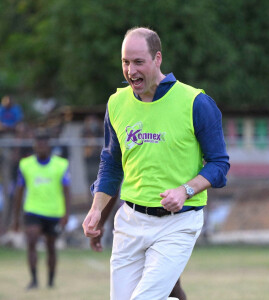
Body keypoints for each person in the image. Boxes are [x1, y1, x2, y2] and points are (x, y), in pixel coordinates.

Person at [82, 27, 230, 300]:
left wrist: (185, 190)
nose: (130, 70)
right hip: (129, 222)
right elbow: (112, 163)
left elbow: (219, 165)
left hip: (179, 223)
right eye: (125, 62)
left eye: (139, 62)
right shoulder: (116, 103)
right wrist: (96, 210)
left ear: (157, 59)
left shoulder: (196, 102)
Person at [90, 194, 187, 300]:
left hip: (167, 222)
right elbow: (113, 183)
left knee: (170, 284)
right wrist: (100, 222)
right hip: (130, 223)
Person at [12, 130, 71, 289]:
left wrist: (66, 213)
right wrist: (16, 218)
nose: (42, 147)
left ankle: (51, 281)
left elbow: (67, 191)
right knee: (31, 241)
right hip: (33, 210)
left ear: (49, 146)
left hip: (54, 212)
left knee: (51, 247)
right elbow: (19, 192)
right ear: (34, 147)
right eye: (39, 144)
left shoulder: (61, 164)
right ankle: (34, 280)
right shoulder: (25, 165)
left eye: (45, 144)